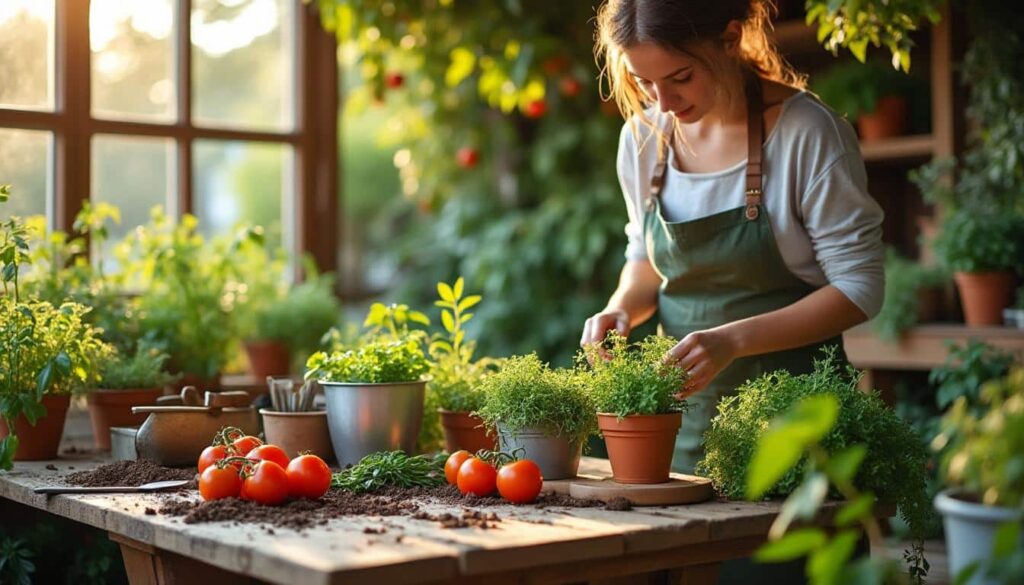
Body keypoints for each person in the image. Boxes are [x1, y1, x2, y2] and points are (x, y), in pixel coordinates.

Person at [583, 0, 885, 474]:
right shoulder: (642, 138)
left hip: (799, 428)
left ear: (729, 39)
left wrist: (733, 341)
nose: (663, 102)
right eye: (644, 82)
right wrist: (621, 307)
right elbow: (644, 258)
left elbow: (859, 288)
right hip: (681, 432)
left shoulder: (807, 133)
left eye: (680, 77)